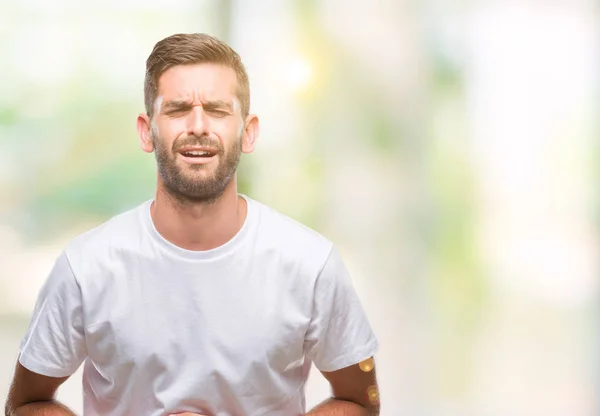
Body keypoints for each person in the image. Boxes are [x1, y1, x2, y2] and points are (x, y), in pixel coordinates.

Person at [5, 33, 380, 416]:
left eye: (217, 109)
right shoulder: (86, 267)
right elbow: (26, 404)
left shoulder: (311, 264)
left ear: (247, 131)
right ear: (145, 130)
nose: (198, 125)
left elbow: (360, 401)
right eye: (178, 108)